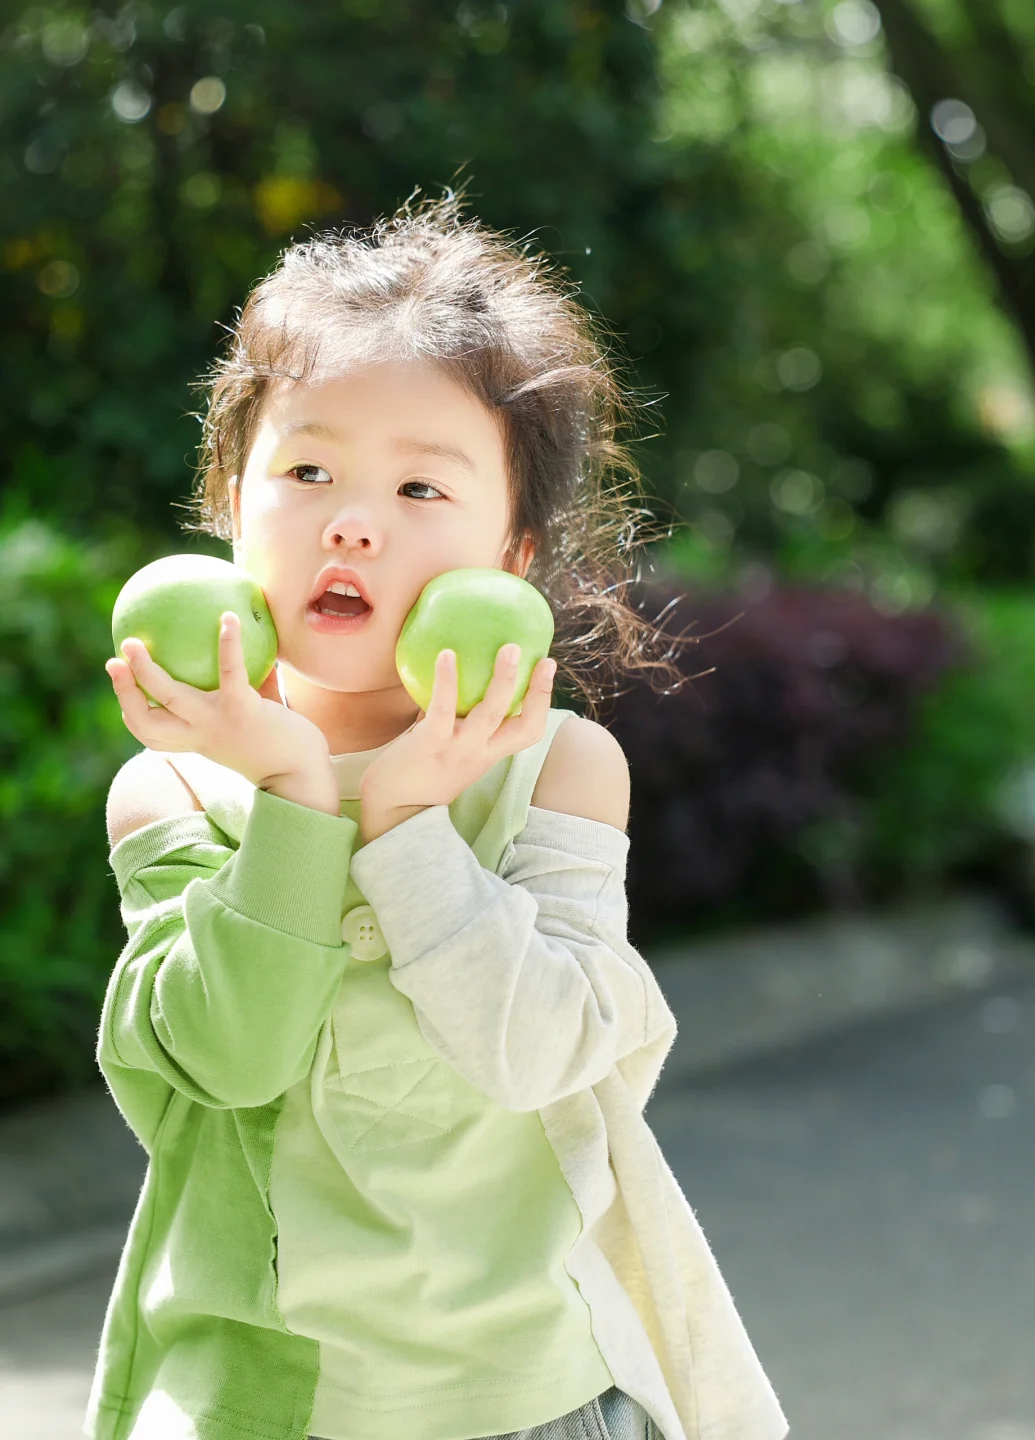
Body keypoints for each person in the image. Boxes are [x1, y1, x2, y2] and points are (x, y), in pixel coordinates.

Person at [93, 188, 788, 1440]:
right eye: (306, 469)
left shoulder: (561, 769)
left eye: (423, 489)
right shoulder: (176, 783)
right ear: (228, 504)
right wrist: (299, 795)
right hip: (262, 1408)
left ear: (510, 555)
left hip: (527, 1396)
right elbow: (231, 1058)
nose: (351, 519)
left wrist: (411, 823)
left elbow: (536, 1055)